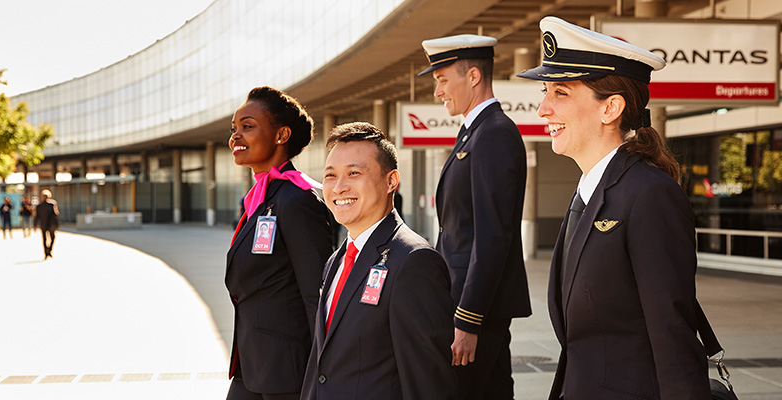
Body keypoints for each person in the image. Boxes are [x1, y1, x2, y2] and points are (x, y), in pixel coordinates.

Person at [516, 16, 710, 399]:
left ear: (611, 108)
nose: (543, 109)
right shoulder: (589, 191)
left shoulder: (649, 195)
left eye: (561, 93)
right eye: (545, 92)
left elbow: (673, 336)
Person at [301, 122, 456, 400]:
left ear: (391, 180)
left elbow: (428, 381)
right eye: (330, 176)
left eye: (354, 173)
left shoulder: (414, 262)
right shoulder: (336, 261)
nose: (338, 187)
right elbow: (321, 365)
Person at [418, 33, 531, 399]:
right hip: (473, 301)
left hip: (478, 308)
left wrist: (467, 319)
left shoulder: (493, 133)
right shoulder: (475, 133)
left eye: (442, 80)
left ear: (473, 77)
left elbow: (492, 237)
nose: (438, 92)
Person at [225, 86, 333, 400]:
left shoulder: (295, 199)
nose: (236, 137)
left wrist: (324, 372)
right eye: (234, 129)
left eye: (247, 126)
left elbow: (317, 292)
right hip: (252, 363)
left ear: (281, 135)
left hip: (288, 373)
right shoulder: (258, 199)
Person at [34, 190, 60, 259]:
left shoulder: (39, 206)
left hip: (43, 224)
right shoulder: (52, 204)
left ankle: (46, 253)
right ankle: (49, 250)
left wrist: (35, 225)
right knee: (52, 237)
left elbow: (37, 217)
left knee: (44, 239)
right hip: (51, 224)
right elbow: (56, 214)